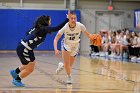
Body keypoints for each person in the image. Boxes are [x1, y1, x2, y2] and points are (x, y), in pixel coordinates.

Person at [9, 10, 71, 87]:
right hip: (25, 48)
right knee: (30, 68)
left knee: (29, 64)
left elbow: (27, 33)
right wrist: (67, 19)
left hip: (24, 47)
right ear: (46, 22)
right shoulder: (43, 29)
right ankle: (17, 79)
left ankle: (15, 72)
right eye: (50, 21)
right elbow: (56, 28)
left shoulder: (37, 27)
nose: (50, 22)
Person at [54, 11, 92, 84]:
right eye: (72, 18)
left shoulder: (80, 26)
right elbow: (56, 39)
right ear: (69, 19)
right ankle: (69, 77)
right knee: (68, 66)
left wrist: (93, 38)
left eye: (75, 18)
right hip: (66, 45)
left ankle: (61, 65)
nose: (73, 20)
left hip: (75, 46)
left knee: (69, 66)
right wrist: (56, 49)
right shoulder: (65, 27)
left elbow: (88, 35)